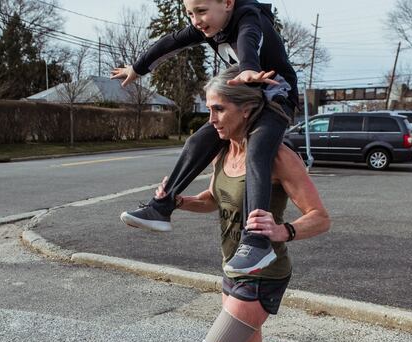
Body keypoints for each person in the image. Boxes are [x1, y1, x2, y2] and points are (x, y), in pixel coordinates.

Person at [153, 65, 342, 342]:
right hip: (232, 267)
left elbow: (321, 218)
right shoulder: (224, 151)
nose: (211, 120)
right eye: (209, 109)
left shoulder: (278, 157)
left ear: (245, 110)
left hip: (264, 273)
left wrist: (282, 230)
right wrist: (179, 201)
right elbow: (214, 200)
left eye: (219, 110)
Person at [113, 0, 299, 276]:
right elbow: (169, 43)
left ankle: (257, 241)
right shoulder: (204, 28)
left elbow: (250, 38)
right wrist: (138, 69)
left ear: (227, 3)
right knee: (197, 141)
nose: (196, 20)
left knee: (257, 152)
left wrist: (248, 66)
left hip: (275, 97)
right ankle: (162, 207)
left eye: (201, 11)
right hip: (244, 97)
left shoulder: (248, 17)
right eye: (189, 13)